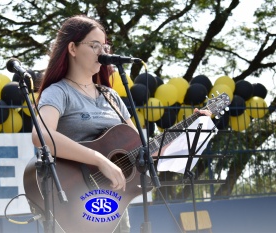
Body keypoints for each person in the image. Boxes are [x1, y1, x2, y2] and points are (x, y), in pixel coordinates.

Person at [31, 14, 211, 233]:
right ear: (72, 48)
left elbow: (143, 150)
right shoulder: (58, 92)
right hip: (74, 199)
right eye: (94, 45)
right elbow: (41, 136)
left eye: (104, 47)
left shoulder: (111, 96)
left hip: (112, 203)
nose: (103, 53)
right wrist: (99, 160)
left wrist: (192, 125)